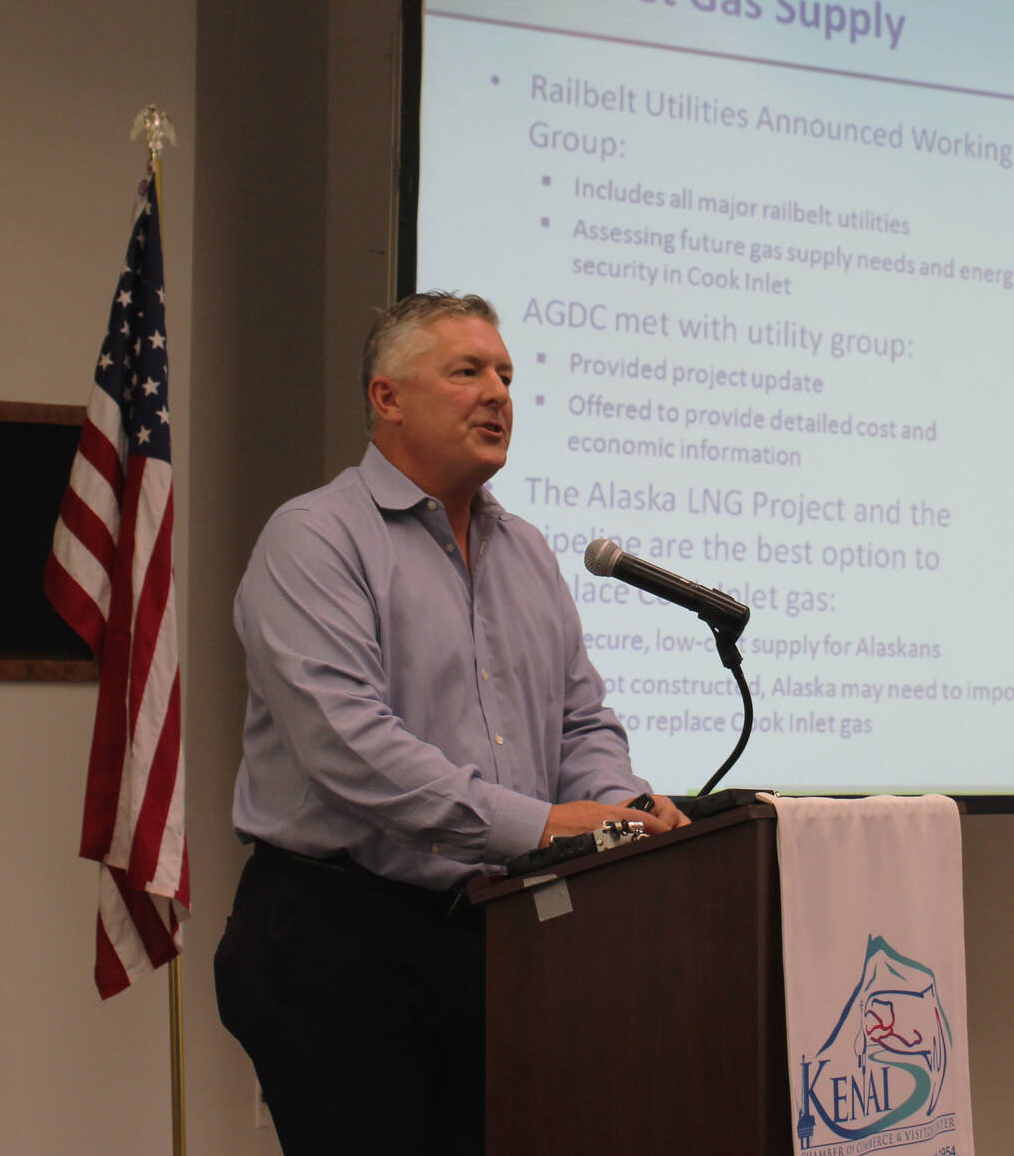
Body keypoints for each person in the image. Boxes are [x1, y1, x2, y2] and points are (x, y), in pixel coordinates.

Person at [213, 291, 686, 1155]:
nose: (498, 392)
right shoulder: (315, 539)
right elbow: (349, 745)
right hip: (336, 938)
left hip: (497, 932)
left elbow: (581, 721)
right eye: (466, 370)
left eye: (505, 373)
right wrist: (540, 826)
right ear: (386, 396)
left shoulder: (528, 551)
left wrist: (624, 810)